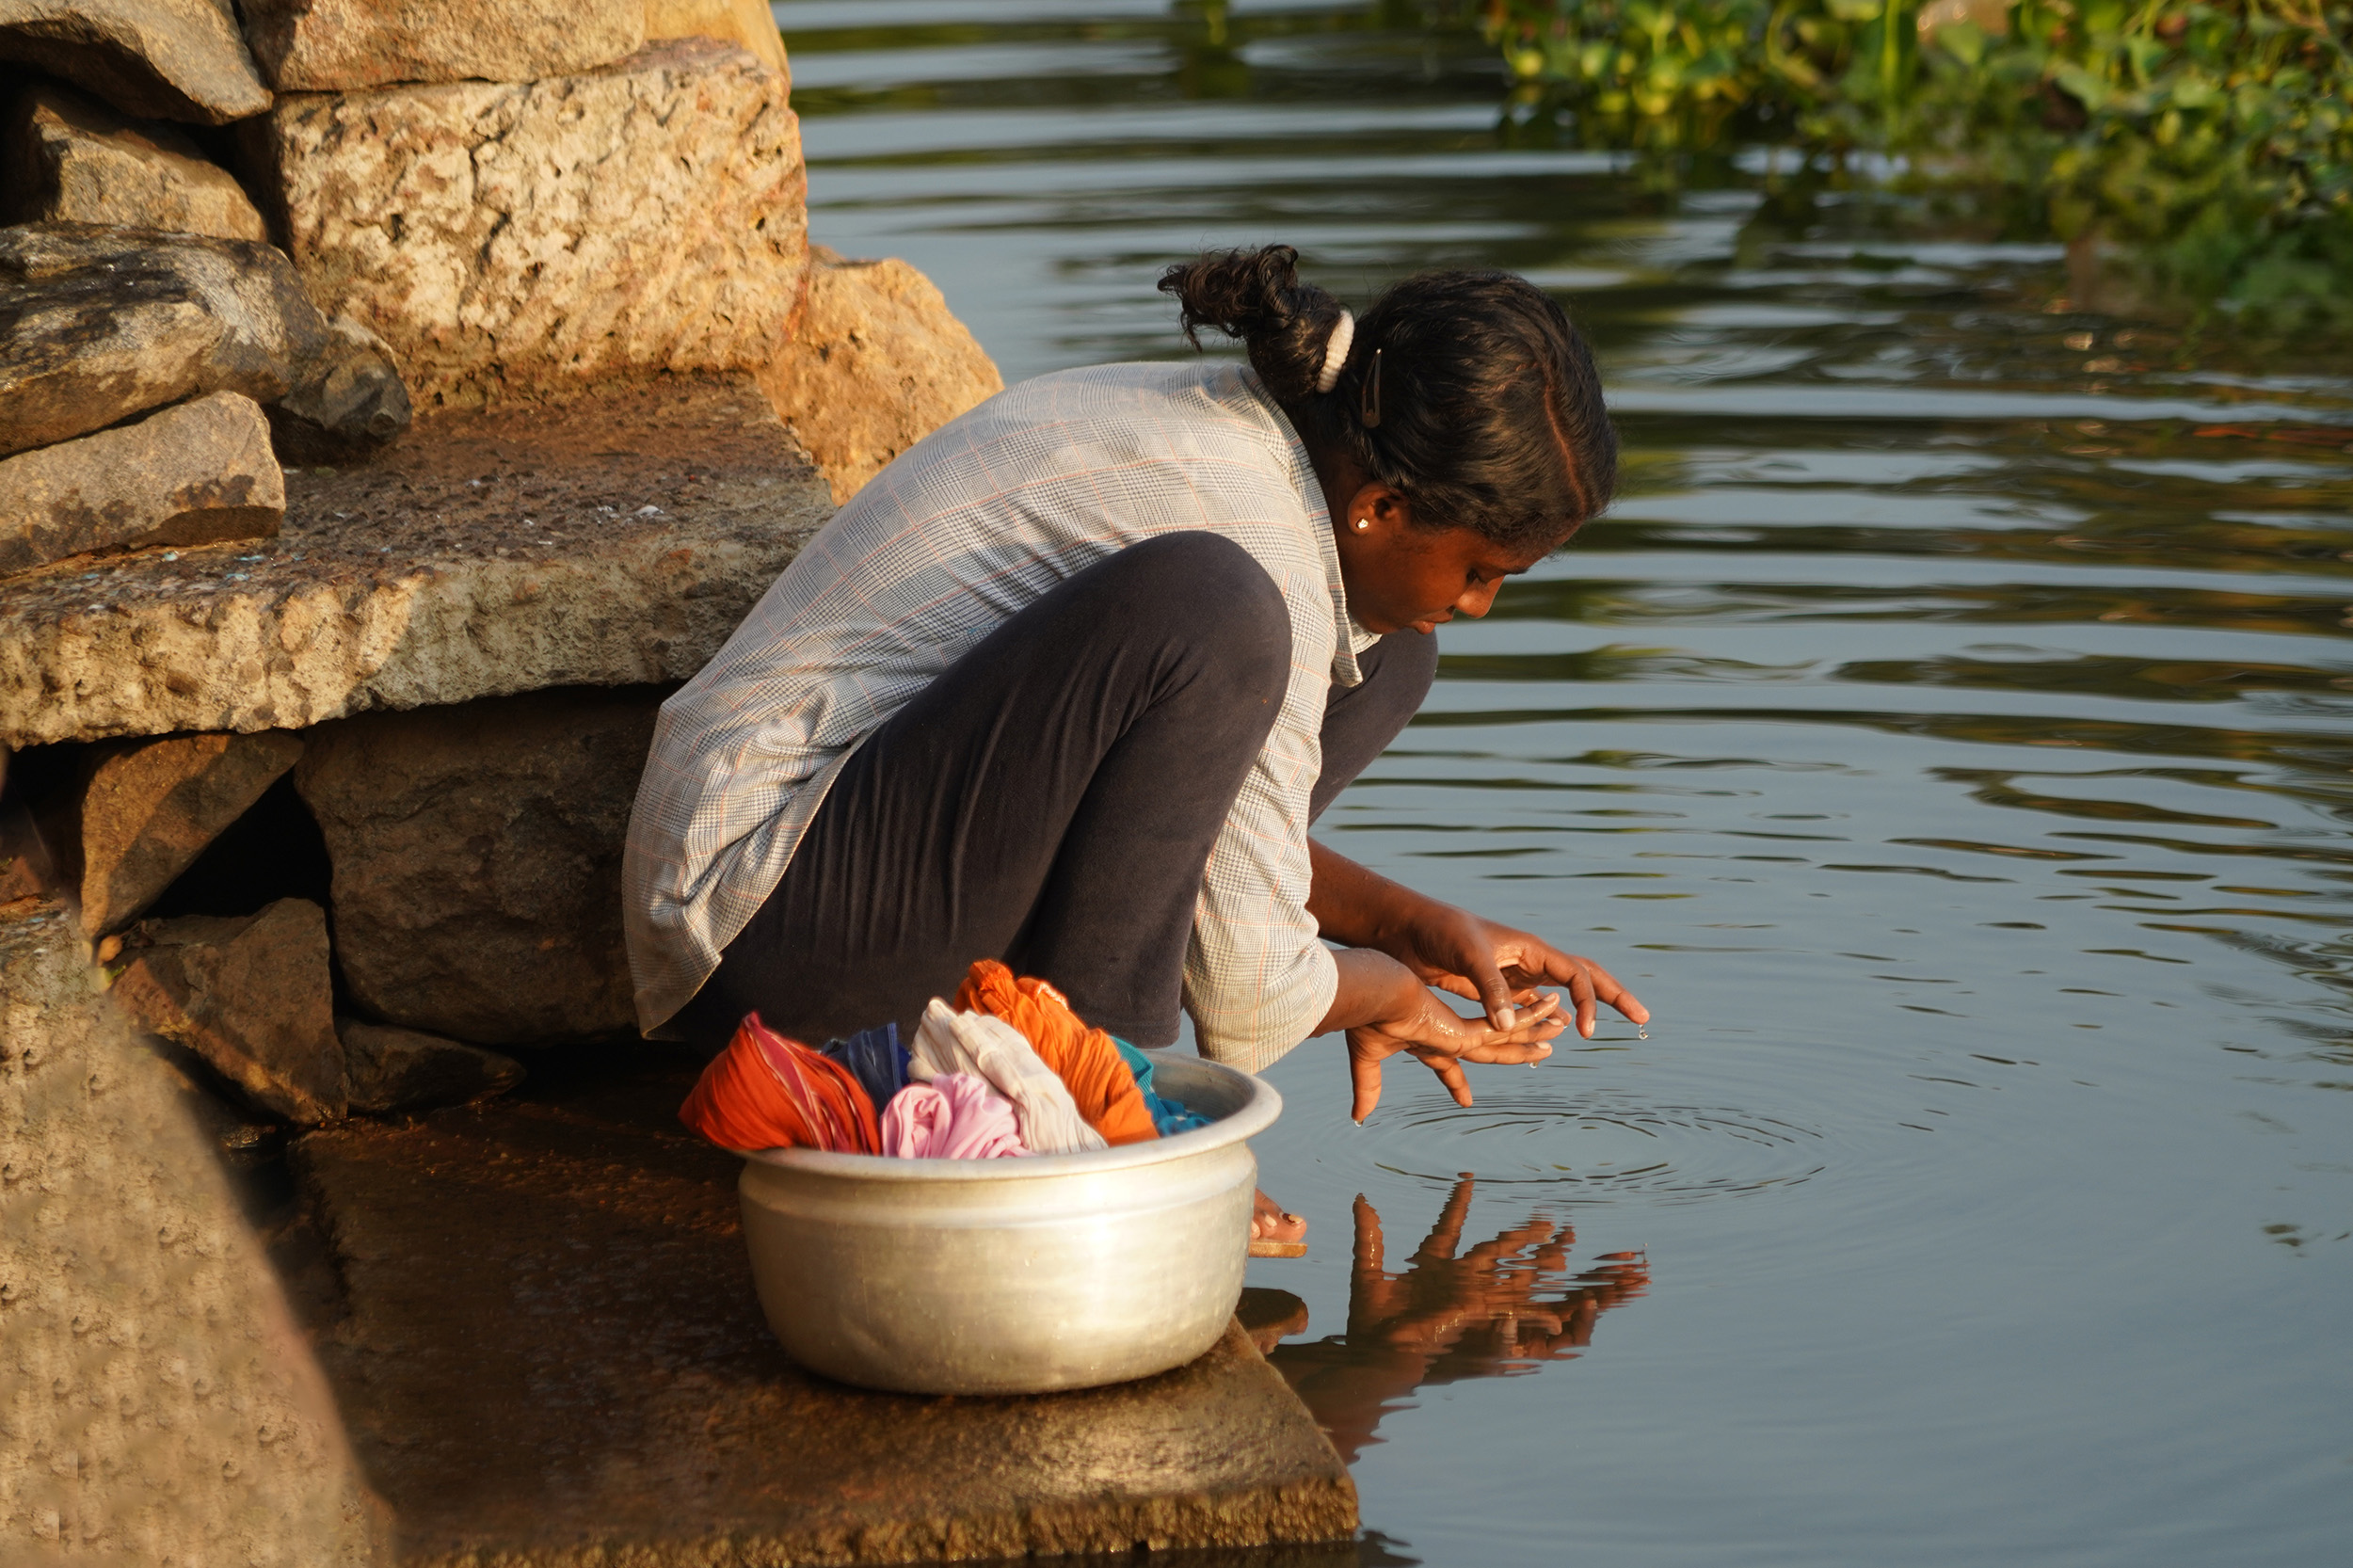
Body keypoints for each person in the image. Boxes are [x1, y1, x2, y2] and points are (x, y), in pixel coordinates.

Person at [621, 244, 1651, 1247]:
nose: (1479, 607)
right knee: (1220, 610)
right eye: (1481, 572)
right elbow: (1249, 997)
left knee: (1387, 655)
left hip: (867, 876)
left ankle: (1060, 1059)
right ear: (1378, 508)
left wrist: (1405, 921)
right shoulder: (1253, 545)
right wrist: (1384, 990)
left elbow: (1185, 832)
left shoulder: (1282, 460)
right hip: (763, 917)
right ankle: (1104, 1114)